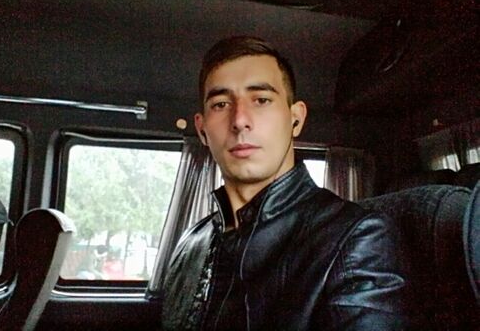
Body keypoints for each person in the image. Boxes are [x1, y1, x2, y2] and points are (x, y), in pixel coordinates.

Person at [162, 36, 408, 330]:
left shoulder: (356, 239)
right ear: (202, 130)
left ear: (295, 119)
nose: (239, 120)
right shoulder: (192, 240)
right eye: (221, 104)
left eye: (261, 100)